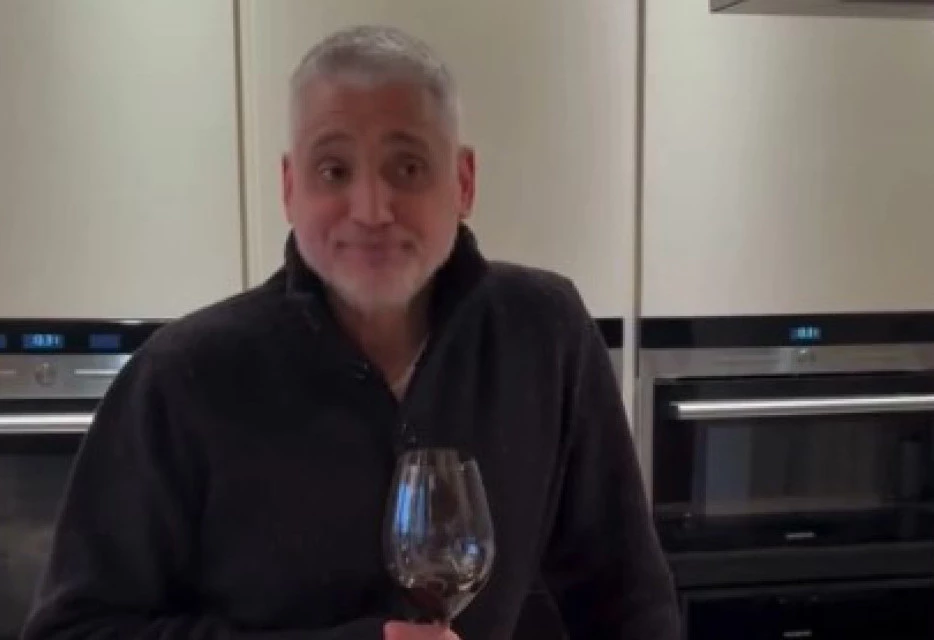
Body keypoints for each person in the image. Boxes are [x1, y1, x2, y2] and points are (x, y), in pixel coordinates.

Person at [22, 25, 680, 640]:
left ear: (463, 182)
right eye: (334, 171)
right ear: (290, 188)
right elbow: (73, 630)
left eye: (408, 167)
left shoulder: (544, 333)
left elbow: (626, 602)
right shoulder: (180, 378)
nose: (371, 209)